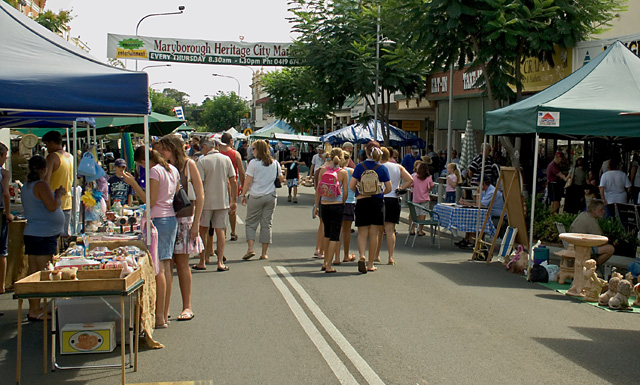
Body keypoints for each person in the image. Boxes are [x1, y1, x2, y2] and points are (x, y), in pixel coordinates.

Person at [123, 146, 179, 329]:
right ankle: (164, 311)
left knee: (160, 268)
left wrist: (134, 184)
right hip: (170, 217)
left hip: (159, 219)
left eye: (140, 165)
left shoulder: (155, 172)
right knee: (167, 265)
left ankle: (160, 315)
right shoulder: (171, 169)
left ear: (143, 162)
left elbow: (150, 200)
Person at [156, 135, 205, 322]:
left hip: (184, 217)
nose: (161, 152)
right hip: (166, 218)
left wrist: (196, 224)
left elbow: (200, 195)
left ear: (173, 148)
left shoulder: (188, 165)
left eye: (164, 149)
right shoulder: (162, 167)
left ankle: (187, 306)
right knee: (167, 265)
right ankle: (164, 307)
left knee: (182, 264)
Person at [22, 155, 65, 321]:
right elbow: (52, 206)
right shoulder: (41, 185)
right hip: (43, 234)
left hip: (34, 232)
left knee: (33, 272)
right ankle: (35, 309)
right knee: (42, 273)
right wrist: (59, 195)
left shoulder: (27, 185)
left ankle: (35, 308)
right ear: (43, 169)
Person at [193, 139, 237, 272]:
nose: (201, 150)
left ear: (206, 147)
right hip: (222, 200)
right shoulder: (225, 159)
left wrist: (195, 201)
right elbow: (233, 180)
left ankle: (202, 260)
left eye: (202, 147)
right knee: (220, 230)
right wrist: (233, 199)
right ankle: (219, 262)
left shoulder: (202, 161)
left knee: (203, 230)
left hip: (206, 200)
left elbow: (199, 183)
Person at [349, 141, 392, 273]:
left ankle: (361, 255)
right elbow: (389, 188)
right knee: (374, 234)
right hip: (377, 203)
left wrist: (360, 193)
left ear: (366, 152)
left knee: (362, 233)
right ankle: (370, 263)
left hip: (362, 201)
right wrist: (379, 193)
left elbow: (351, 186)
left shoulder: (359, 167)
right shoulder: (382, 168)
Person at [240, 140, 283, 261]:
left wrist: (243, 194)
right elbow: (281, 178)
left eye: (253, 149)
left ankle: (250, 248)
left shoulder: (253, 163)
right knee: (267, 224)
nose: (251, 151)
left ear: (258, 150)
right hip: (270, 195)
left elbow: (248, 181)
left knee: (250, 223)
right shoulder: (275, 163)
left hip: (256, 195)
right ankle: (264, 253)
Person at [375, 147, 413, 265]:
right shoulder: (398, 167)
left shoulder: (378, 167)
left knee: (378, 230)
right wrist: (400, 188)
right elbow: (410, 179)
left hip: (380, 197)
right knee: (390, 230)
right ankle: (391, 256)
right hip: (394, 198)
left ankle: (376, 254)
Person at [314, 148, 348, 272]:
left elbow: (318, 189)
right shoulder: (343, 173)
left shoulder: (322, 170)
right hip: (337, 204)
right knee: (335, 235)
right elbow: (345, 193)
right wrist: (342, 202)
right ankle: (329, 264)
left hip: (324, 204)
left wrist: (316, 206)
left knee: (326, 233)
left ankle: (324, 262)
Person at [456, 178, 504, 248]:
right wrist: (466, 203)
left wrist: (478, 193)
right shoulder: (485, 191)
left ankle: (472, 241)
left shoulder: (492, 192)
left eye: (478, 184)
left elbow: (479, 206)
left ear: (483, 184)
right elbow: (478, 204)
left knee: (476, 219)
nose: (477, 186)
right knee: (472, 218)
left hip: (497, 216)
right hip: (489, 214)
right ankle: (467, 239)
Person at [42, 130, 73, 237]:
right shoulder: (70, 157)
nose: (46, 148)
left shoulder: (53, 157)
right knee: (63, 237)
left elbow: (46, 181)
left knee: (53, 238)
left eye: (46, 145)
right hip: (68, 202)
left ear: (51, 143)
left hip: (54, 202)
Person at [569, 199, 615, 266]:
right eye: (601, 210)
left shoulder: (583, 215)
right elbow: (600, 241)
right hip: (581, 247)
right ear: (593, 210)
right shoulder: (591, 221)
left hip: (574, 245)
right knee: (610, 249)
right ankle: (592, 267)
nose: (603, 211)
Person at [219, 132, 245, 241]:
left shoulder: (218, 153)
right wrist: (243, 185)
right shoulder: (235, 154)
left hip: (219, 183)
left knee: (222, 210)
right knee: (233, 208)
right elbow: (241, 171)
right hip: (232, 182)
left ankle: (223, 233)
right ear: (230, 141)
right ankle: (233, 232)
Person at [339, 151, 357, 263]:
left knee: (337, 230)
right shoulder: (351, 171)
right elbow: (356, 186)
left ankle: (335, 256)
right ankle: (346, 255)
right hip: (349, 201)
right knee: (346, 231)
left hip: (336, 201)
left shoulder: (336, 171)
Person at [0, 143, 13, 294]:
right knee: (2, 250)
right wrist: (8, 212)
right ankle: (1, 285)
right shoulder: (3, 173)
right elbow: (5, 193)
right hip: (0, 211)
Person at [410, 162, 434, 237]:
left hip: (416, 198)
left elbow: (412, 185)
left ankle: (412, 229)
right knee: (423, 214)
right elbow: (431, 186)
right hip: (425, 198)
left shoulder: (414, 177)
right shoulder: (429, 177)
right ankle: (420, 230)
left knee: (414, 214)